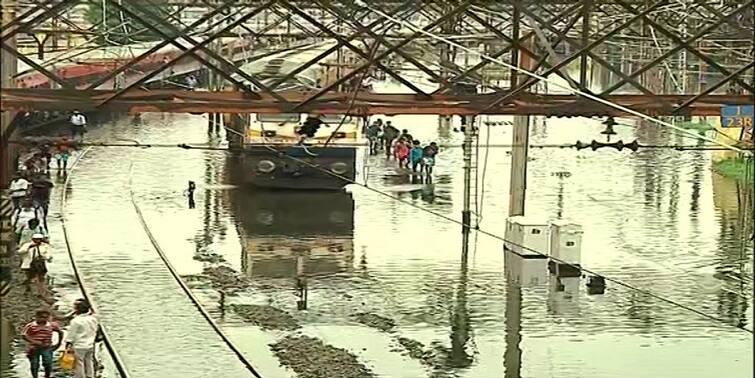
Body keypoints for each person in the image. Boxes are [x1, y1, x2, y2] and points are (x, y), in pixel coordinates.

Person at [22, 309, 63, 378]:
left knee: (48, 363)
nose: (43, 319)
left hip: (47, 347)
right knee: (34, 364)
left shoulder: (51, 325)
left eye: (45, 317)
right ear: (36, 317)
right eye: (41, 317)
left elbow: (60, 332)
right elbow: (24, 335)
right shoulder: (31, 325)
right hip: (34, 348)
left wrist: (58, 343)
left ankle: (47, 376)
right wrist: (34, 342)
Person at [66, 300, 99, 378]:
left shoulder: (75, 321)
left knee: (79, 363)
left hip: (79, 345)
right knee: (89, 361)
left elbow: (71, 335)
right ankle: (90, 375)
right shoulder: (93, 319)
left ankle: (80, 376)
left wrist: (68, 344)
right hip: (90, 344)